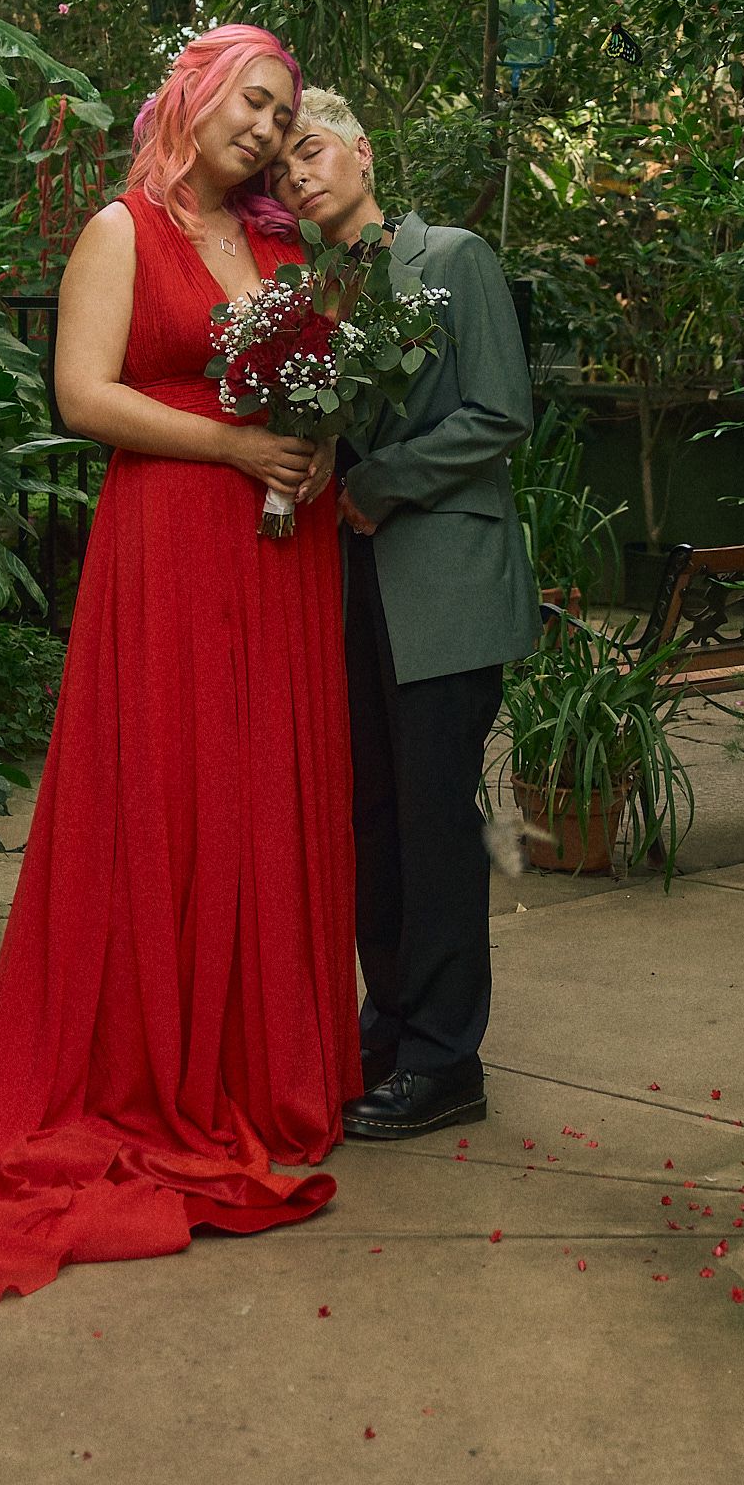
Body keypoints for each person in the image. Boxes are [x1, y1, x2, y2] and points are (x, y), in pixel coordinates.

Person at [0, 25, 360, 1307]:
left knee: (262, 786)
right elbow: (82, 396)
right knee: (177, 783)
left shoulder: (277, 245)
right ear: (195, 96)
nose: (266, 128)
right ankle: (157, 1062)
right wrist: (236, 452)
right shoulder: (119, 230)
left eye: (285, 113)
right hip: (170, 541)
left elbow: (307, 375)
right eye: (252, 103)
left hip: (281, 546)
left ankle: (267, 1069)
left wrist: (307, 447)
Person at [276, 90, 537, 1140]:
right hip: (346, 595)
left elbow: (503, 411)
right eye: (282, 168)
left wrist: (385, 481)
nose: (297, 175)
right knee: (370, 820)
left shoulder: (454, 258)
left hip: (445, 591)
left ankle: (446, 1059)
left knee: (433, 823)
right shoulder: (306, 296)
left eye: (311, 151)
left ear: (362, 151)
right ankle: (387, 1029)